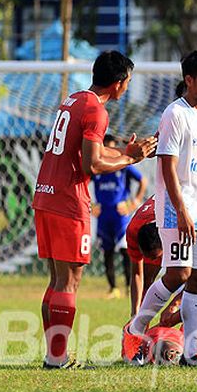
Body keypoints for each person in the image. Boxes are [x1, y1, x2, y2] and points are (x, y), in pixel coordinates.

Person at [33, 50, 157, 369]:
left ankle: (53, 355)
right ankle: (57, 358)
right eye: (128, 81)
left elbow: (92, 152)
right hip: (67, 201)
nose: (127, 87)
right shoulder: (97, 112)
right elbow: (93, 163)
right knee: (70, 281)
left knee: (57, 280)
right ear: (118, 83)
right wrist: (131, 158)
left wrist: (126, 152)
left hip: (45, 196)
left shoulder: (75, 99)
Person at [123, 50, 197, 366]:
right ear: (188, 80)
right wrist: (180, 210)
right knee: (179, 273)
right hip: (176, 210)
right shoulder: (174, 114)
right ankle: (135, 327)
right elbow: (167, 164)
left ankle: (192, 353)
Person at [92, 134, 148, 299]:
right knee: (107, 251)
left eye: (112, 147)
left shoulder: (123, 166)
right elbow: (79, 182)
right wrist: (90, 206)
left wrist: (134, 202)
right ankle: (112, 288)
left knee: (126, 251)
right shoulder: (97, 165)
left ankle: (129, 288)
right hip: (103, 214)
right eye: (106, 147)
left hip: (120, 215)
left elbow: (142, 180)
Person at [125, 196, 162, 316]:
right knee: (146, 279)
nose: (150, 260)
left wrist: (174, 306)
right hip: (153, 220)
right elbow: (136, 273)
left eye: (155, 257)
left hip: (185, 216)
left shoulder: (175, 226)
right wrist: (134, 313)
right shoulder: (133, 231)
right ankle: (139, 325)